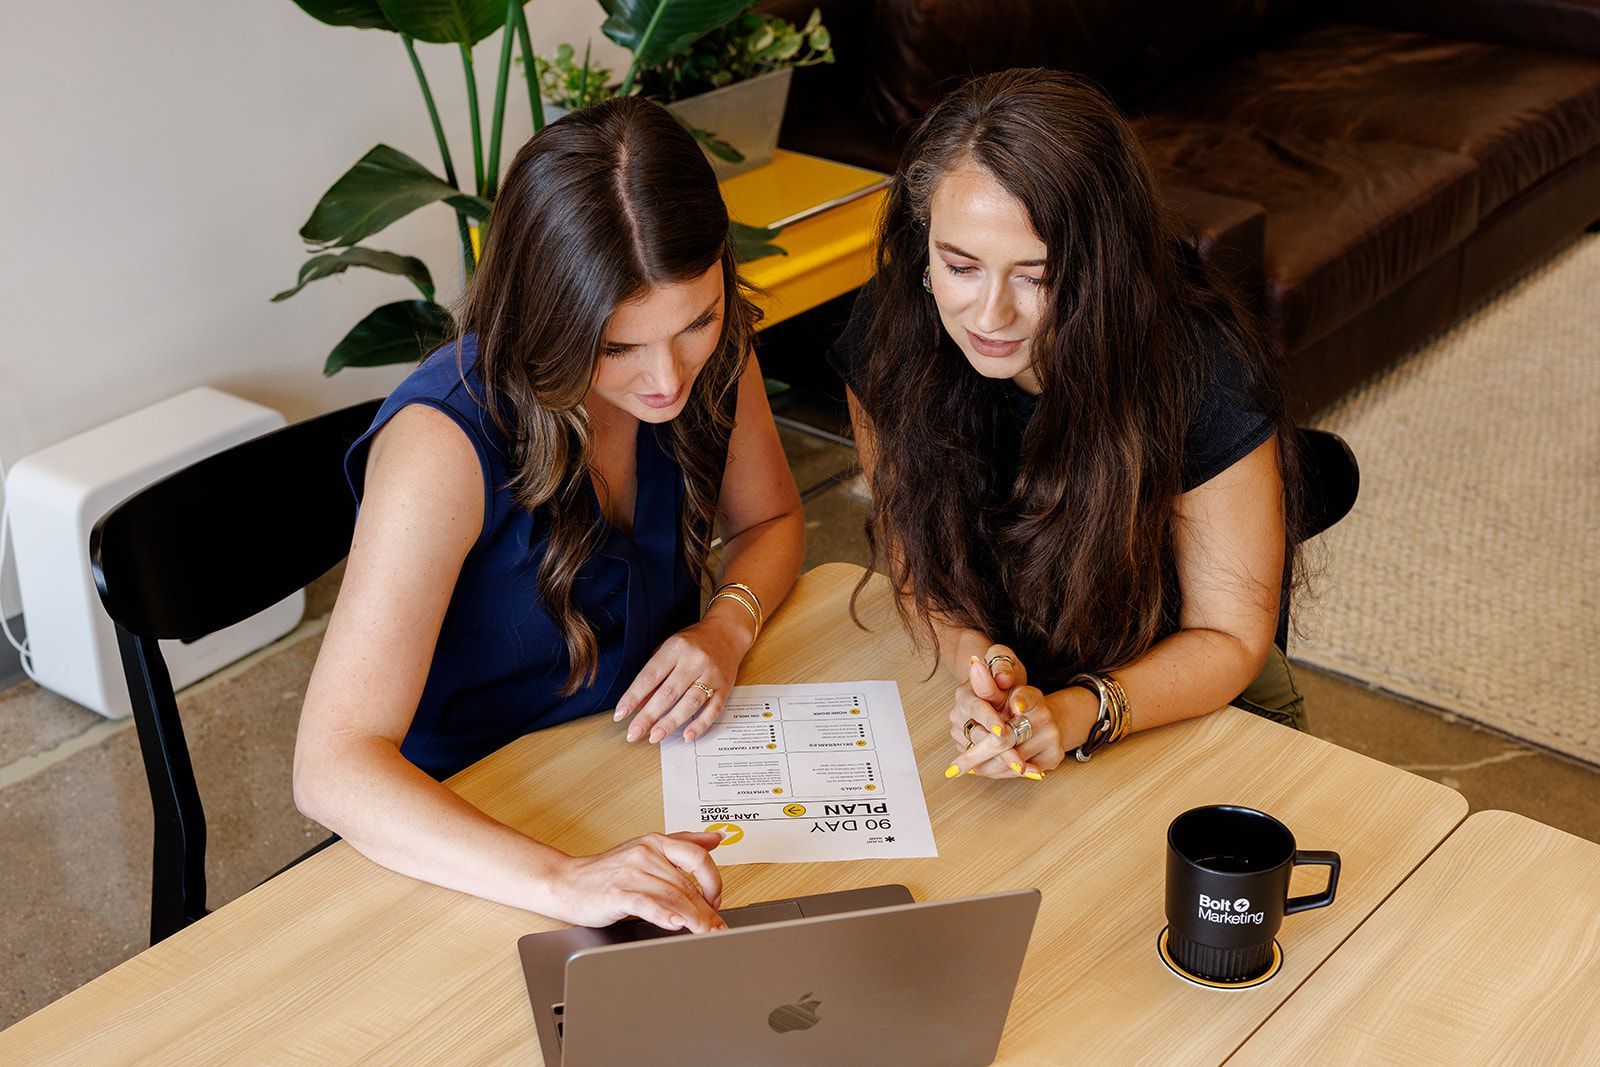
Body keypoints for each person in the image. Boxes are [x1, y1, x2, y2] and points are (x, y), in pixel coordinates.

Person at [294, 98, 805, 934]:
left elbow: (771, 521)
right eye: (617, 347)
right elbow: (330, 766)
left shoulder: (710, 353)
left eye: (697, 323)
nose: (669, 380)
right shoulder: (443, 443)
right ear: (546, 317)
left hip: (626, 778)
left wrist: (726, 627)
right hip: (467, 841)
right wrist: (569, 881)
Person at [830, 69, 1306, 781]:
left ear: (1101, 268)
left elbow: (1230, 637)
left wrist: (1081, 711)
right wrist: (980, 666)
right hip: (1034, 699)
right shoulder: (890, 334)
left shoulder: (1201, 370)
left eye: (1037, 276)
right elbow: (917, 559)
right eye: (960, 266)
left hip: (1192, 705)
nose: (990, 315)